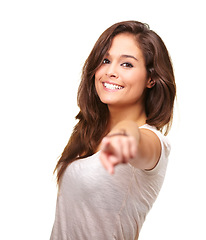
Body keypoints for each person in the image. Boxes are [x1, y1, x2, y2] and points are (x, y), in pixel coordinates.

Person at [50, 20, 176, 240]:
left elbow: (140, 145)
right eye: (105, 60)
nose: (110, 71)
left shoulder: (153, 141)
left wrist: (128, 132)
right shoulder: (87, 133)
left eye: (126, 64)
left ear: (151, 78)